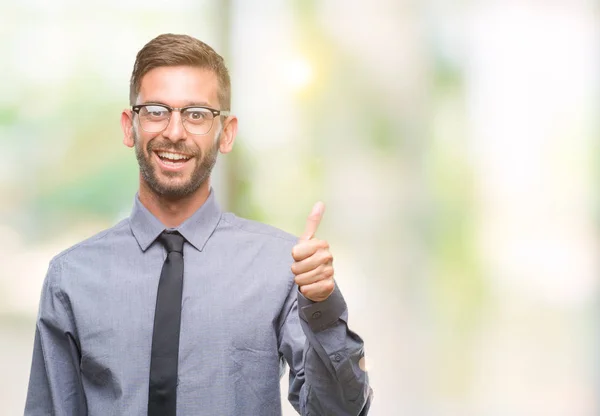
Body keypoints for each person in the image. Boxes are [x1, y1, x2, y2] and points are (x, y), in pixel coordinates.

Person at [24, 33, 372, 416]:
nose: (175, 132)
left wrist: (322, 308)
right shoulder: (71, 277)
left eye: (196, 115)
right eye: (157, 110)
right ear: (129, 126)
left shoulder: (281, 268)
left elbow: (339, 412)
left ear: (226, 133)